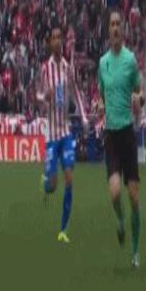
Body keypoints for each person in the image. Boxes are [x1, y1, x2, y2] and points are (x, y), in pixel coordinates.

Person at [98, 9, 145, 268]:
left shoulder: (130, 60)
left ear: (122, 29)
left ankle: (135, 251)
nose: (115, 28)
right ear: (108, 30)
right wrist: (99, 105)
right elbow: (100, 94)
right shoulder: (103, 63)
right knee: (115, 193)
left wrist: (140, 98)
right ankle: (119, 221)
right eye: (112, 24)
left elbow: (139, 89)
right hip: (111, 135)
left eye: (118, 24)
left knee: (134, 196)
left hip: (127, 133)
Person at [38, 24, 89, 243]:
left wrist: (84, 116)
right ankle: (45, 181)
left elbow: (76, 92)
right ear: (50, 43)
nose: (58, 41)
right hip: (51, 134)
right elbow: (37, 96)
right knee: (52, 185)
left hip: (65, 132)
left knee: (69, 179)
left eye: (60, 37)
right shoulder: (44, 69)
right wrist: (44, 97)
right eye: (54, 37)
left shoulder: (68, 68)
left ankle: (63, 230)